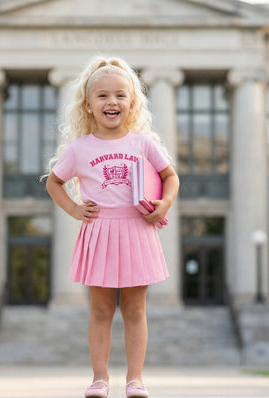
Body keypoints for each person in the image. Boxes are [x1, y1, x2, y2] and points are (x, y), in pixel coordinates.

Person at [45, 55, 179, 398]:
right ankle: (100, 379)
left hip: (137, 231)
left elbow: (170, 177)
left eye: (120, 95)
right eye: (102, 95)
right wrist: (75, 209)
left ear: (132, 102)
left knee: (135, 309)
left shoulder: (143, 143)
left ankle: (135, 380)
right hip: (99, 233)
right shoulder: (79, 148)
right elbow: (54, 183)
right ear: (88, 105)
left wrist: (163, 204)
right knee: (102, 310)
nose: (112, 102)